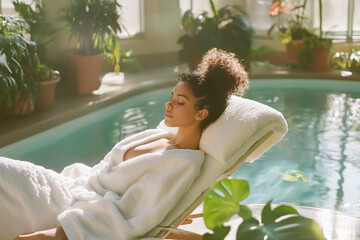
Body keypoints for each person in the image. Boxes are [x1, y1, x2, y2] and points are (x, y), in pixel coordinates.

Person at [0, 48, 248, 240]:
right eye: (170, 97)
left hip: (70, 210)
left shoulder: (183, 164)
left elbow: (129, 213)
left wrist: (58, 234)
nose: (168, 105)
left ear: (201, 114)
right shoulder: (160, 136)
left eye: (180, 102)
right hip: (65, 187)